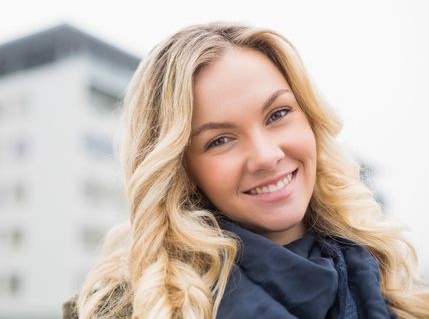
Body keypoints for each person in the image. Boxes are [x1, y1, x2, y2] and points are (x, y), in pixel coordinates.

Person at [63, 22, 429, 318]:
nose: (267, 156)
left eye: (278, 114)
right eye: (220, 140)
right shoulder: (124, 310)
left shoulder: (397, 290)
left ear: (311, 120)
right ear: (182, 171)